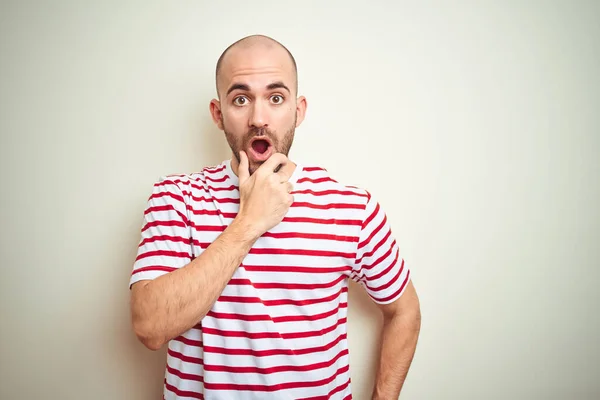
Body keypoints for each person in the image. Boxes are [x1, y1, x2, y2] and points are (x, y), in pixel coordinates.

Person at [129, 34, 421, 400]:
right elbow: (150, 327)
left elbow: (404, 310)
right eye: (240, 99)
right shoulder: (177, 198)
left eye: (276, 98)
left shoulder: (351, 208)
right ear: (218, 114)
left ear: (298, 111)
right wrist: (249, 222)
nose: (259, 118)